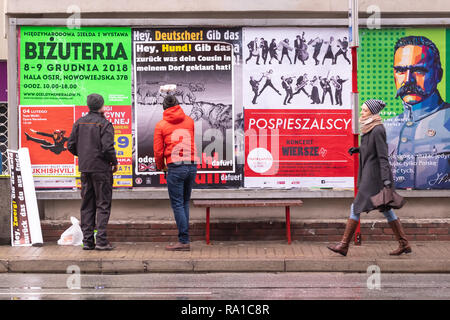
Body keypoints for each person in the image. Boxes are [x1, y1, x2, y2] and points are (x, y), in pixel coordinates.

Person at [327, 99, 412, 257]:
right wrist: (358, 149)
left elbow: (383, 156)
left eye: (365, 110)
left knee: (356, 206)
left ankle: (344, 245)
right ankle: (404, 243)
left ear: (373, 113)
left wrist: (386, 180)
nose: (362, 112)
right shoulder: (369, 127)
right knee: (386, 209)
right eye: (362, 109)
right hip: (370, 173)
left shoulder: (378, 129)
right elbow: (370, 148)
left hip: (375, 177)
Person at [386, 35, 450, 189]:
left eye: (419, 70)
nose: (408, 80)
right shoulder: (384, 128)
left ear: (438, 75)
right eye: (400, 70)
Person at [67, 94, 118, 251]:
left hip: (85, 169)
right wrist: (114, 162)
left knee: (87, 205)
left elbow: (70, 145)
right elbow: (108, 148)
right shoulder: (105, 124)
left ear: (89, 106)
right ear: (102, 106)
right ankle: (101, 241)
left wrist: (83, 156)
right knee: (103, 204)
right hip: (102, 169)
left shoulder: (79, 123)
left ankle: (88, 241)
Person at [154, 95, 197, 251]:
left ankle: (184, 241)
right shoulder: (190, 121)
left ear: (164, 107)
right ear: (178, 105)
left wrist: (161, 167)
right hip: (192, 165)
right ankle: (184, 239)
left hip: (175, 167)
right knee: (184, 202)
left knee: (178, 204)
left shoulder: (161, 125)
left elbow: (158, 151)